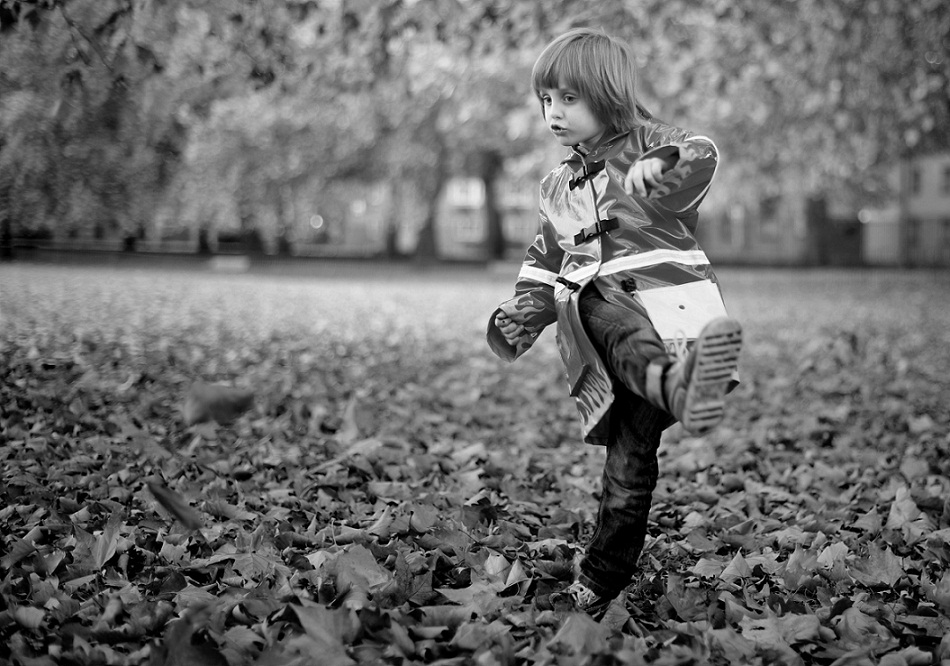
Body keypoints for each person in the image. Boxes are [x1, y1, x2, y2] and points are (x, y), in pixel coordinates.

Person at [486, 28, 743, 620]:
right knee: (589, 307)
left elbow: (702, 152)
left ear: (607, 93)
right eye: (546, 99)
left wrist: (662, 164)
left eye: (568, 98)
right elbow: (545, 262)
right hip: (608, 336)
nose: (553, 113)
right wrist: (523, 316)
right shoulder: (557, 187)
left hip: (670, 317)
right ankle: (603, 576)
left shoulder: (651, 144)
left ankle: (670, 383)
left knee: (628, 450)